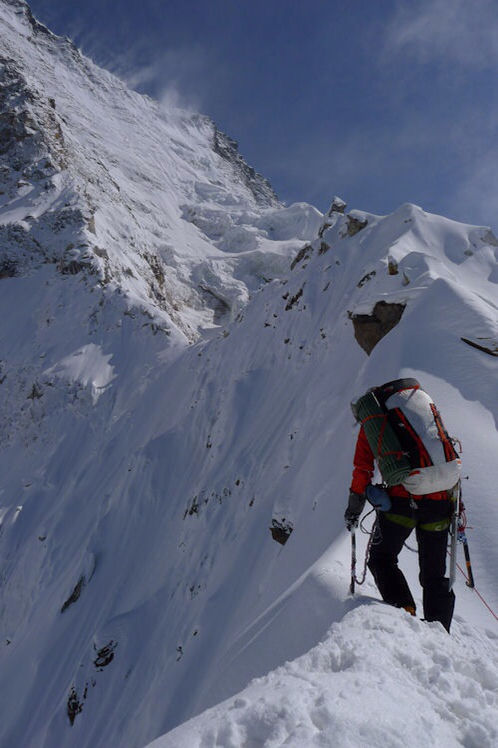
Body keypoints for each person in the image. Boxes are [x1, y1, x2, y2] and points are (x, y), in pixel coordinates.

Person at [345, 421, 456, 632]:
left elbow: (363, 467)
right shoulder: (425, 414)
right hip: (439, 503)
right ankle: (439, 631)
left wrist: (354, 506)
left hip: (401, 503)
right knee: (434, 574)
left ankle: (405, 612)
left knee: (381, 558)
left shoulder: (374, 419)